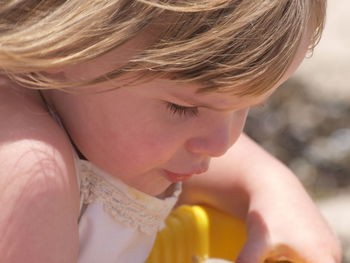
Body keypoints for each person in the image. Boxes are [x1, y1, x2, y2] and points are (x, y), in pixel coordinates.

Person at [0, 0, 341, 263]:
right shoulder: (29, 173)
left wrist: (276, 191)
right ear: (62, 41)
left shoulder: (96, 114)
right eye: (184, 109)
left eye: (247, 107)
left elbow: (242, 168)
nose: (221, 145)